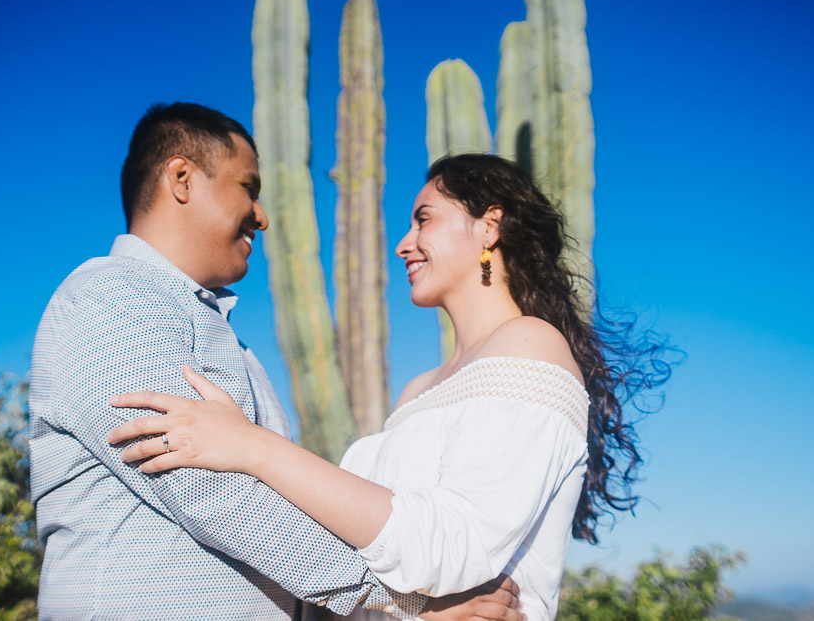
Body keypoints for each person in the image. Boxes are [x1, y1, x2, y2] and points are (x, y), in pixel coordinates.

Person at [107, 153, 664, 620]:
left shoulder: (531, 345)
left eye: (424, 219)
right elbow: (380, 564)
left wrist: (251, 446)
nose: (403, 243)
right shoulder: (421, 386)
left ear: (489, 227)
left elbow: (452, 545)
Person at [29, 104, 524, 620]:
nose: (262, 215)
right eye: (249, 187)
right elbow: (203, 484)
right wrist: (408, 600)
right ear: (182, 178)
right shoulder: (109, 295)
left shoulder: (230, 344)